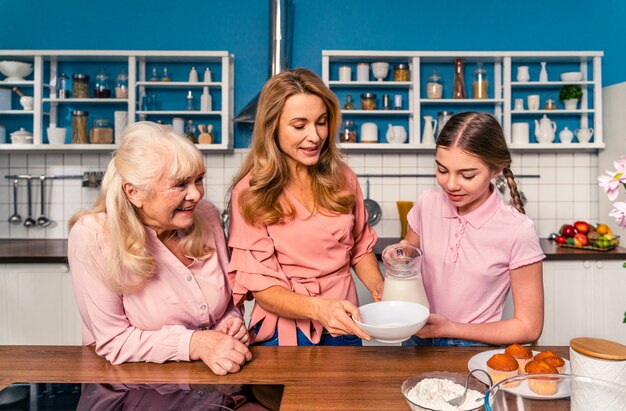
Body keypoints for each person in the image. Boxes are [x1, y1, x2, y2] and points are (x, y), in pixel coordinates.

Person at [67, 121, 251, 375]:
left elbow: (230, 303)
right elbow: (114, 341)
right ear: (134, 193)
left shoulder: (207, 216)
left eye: (198, 180)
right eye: (180, 185)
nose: (196, 194)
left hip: (212, 377)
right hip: (130, 385)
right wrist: (196, 343)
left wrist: (232, 323)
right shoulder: (93, 235)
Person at [227, 68, 384, 346]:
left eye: (321, 122)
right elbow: (263, 288)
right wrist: (320, 308)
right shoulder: (250, 194)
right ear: (272, 127)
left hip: (344, 323)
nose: (314, 136)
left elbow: (360, 248)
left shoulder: (343, 178)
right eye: (299, 126)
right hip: (283, 333)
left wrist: (378, 286)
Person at [403, 111, 545, 347]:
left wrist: (450, 329)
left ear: (496, 169)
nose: (450, 184)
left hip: (474, 348)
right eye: (442, 170)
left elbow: (529, 327)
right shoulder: (427, 203)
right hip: (415, 338)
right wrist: (400, 254)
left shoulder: (518, 229)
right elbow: (409, 251)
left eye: (467, 175)